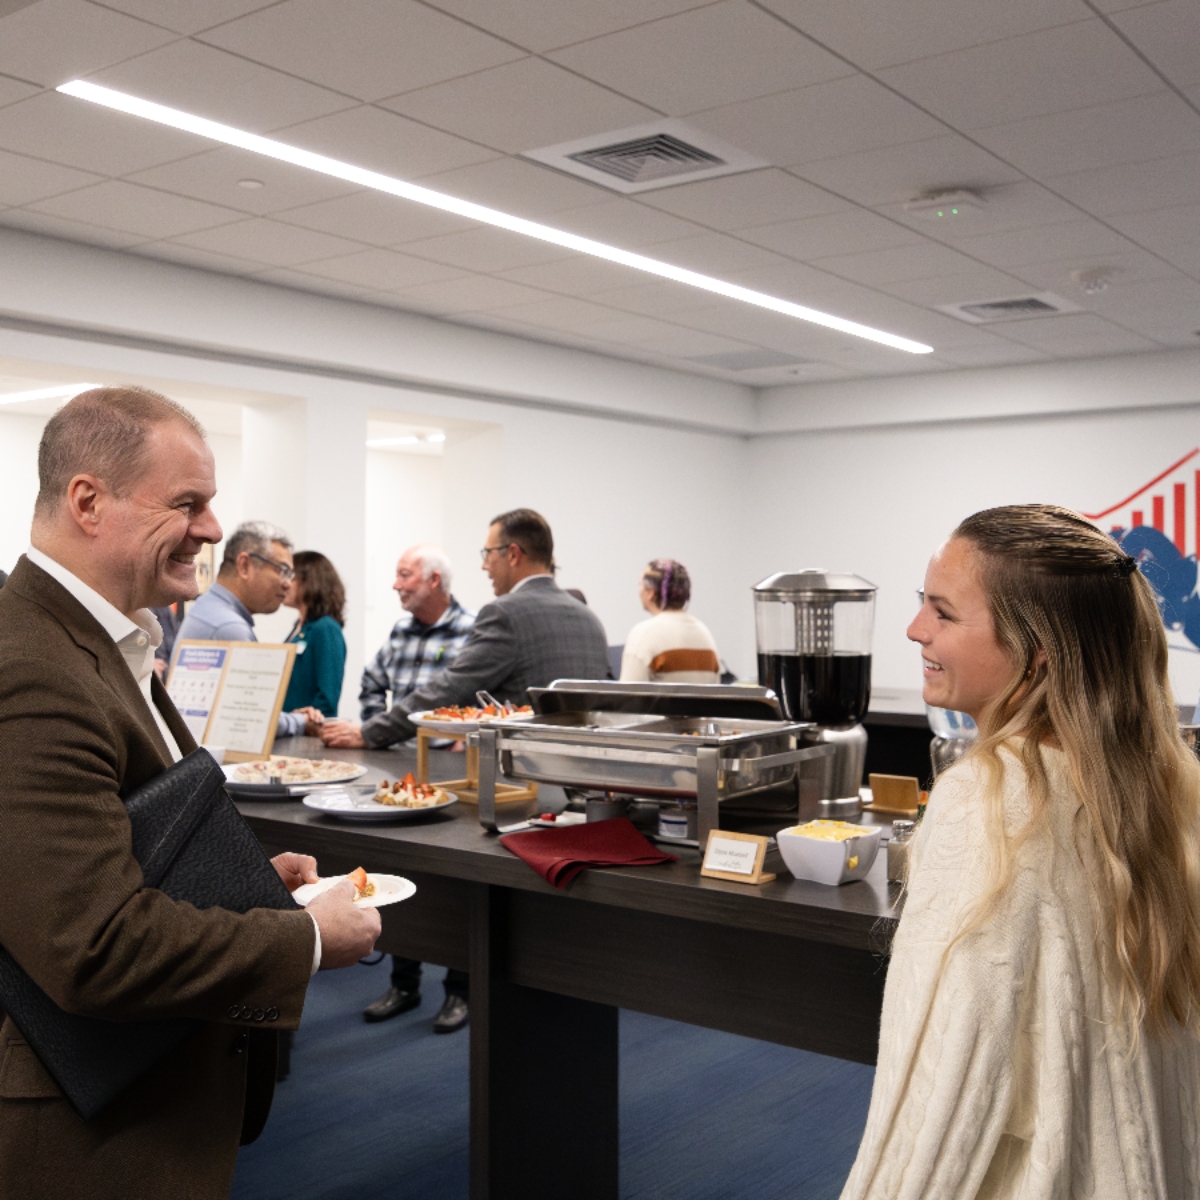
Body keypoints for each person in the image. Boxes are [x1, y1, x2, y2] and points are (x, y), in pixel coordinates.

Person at [0, 386, 380, 1199]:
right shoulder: (34, 668)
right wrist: (305, 941)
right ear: (88, 502)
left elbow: (121, 844)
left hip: (142, 1094)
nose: (213, 529)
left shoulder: (103, 643)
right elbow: (92, 947)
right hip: (88, 1129)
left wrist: (241, 891)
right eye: (189, 503)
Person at [841, 504, 1200, 1199]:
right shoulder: (1166, 785)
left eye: (943, 613)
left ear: (1036, 651)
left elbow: (947, 1083)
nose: (916, 629)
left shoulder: (991, 799)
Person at [321, 510, 610, 1034]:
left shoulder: (505, 612)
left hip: (511, 797)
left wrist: (371, 732)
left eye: (488, 554)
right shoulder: (587, 617)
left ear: (514, 554)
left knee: (456, 900)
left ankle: (457, 989)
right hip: (573, 803)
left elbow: (449, 688)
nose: (485, 567)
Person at [339, 545, 475, 1030]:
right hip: (403, 777)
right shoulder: (399, 632)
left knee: (455, 883)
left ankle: (460, 991)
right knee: (397, 874)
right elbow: (372, 682)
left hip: (455, 781)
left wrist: (468, 739)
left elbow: (488, 700)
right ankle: (404, 983)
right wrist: (379, 730)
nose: (396, 584)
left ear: (434, 580)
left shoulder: (473, 631)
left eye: (404, 575)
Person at [176, 521, 313, 738]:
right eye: (283, 570)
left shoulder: (209, 609)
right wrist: (302, 722)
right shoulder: (229, 628)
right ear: (244, 565)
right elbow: (257, 719)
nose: (287, 584)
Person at [620, 558, 720, 683]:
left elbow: (628, 698)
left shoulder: (643, 635)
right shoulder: (706, 636)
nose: (638, 590)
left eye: (640, 584)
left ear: (650, 592)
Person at [281, 551, 348, 723]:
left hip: (307, 732)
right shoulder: (299, 627)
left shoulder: (326, 628)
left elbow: (327, 697)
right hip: (288, 725)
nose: (284, 583)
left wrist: (303, 722)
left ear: (311, 581)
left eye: (291, 576)